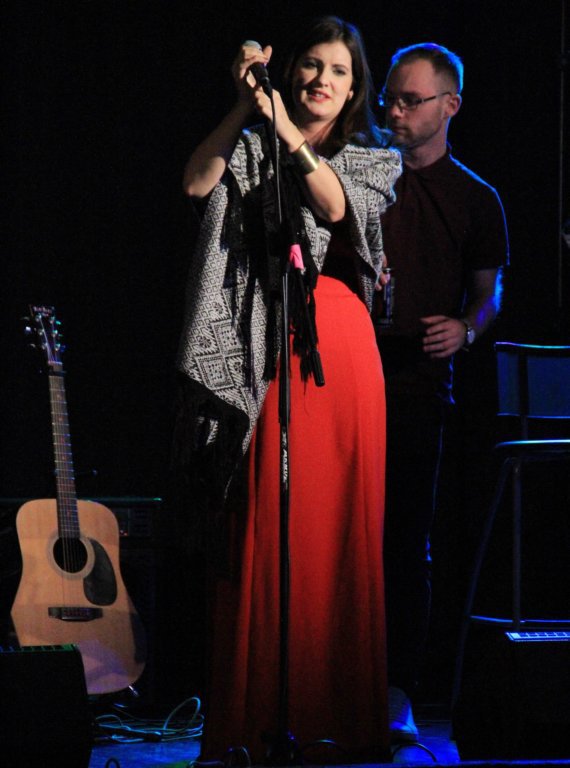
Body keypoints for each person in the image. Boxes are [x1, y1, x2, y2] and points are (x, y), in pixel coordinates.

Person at [175, 15, 402, 765]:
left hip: (337, 351)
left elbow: (334, 208)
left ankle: (339, 716)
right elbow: (195, 182)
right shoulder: (250, 143)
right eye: (310, 65)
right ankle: (254, 718)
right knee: (269, 518)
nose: (321, 81)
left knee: (335, 529)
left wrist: (282, 129)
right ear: (290, 70)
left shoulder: (374, 158)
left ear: (355, 87)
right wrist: (246, 107)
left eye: (338, 71)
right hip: (263, 344)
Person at [372, 42, 509, 742]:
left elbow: (490, 292)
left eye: (411, 100)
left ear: (449, 105)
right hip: (346, 378)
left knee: (403, 542)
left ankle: (397, 690)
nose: (395, 111)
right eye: (389, 99)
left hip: (418, 389)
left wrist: (465, 328)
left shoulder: (475, 198)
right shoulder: (366, 176)